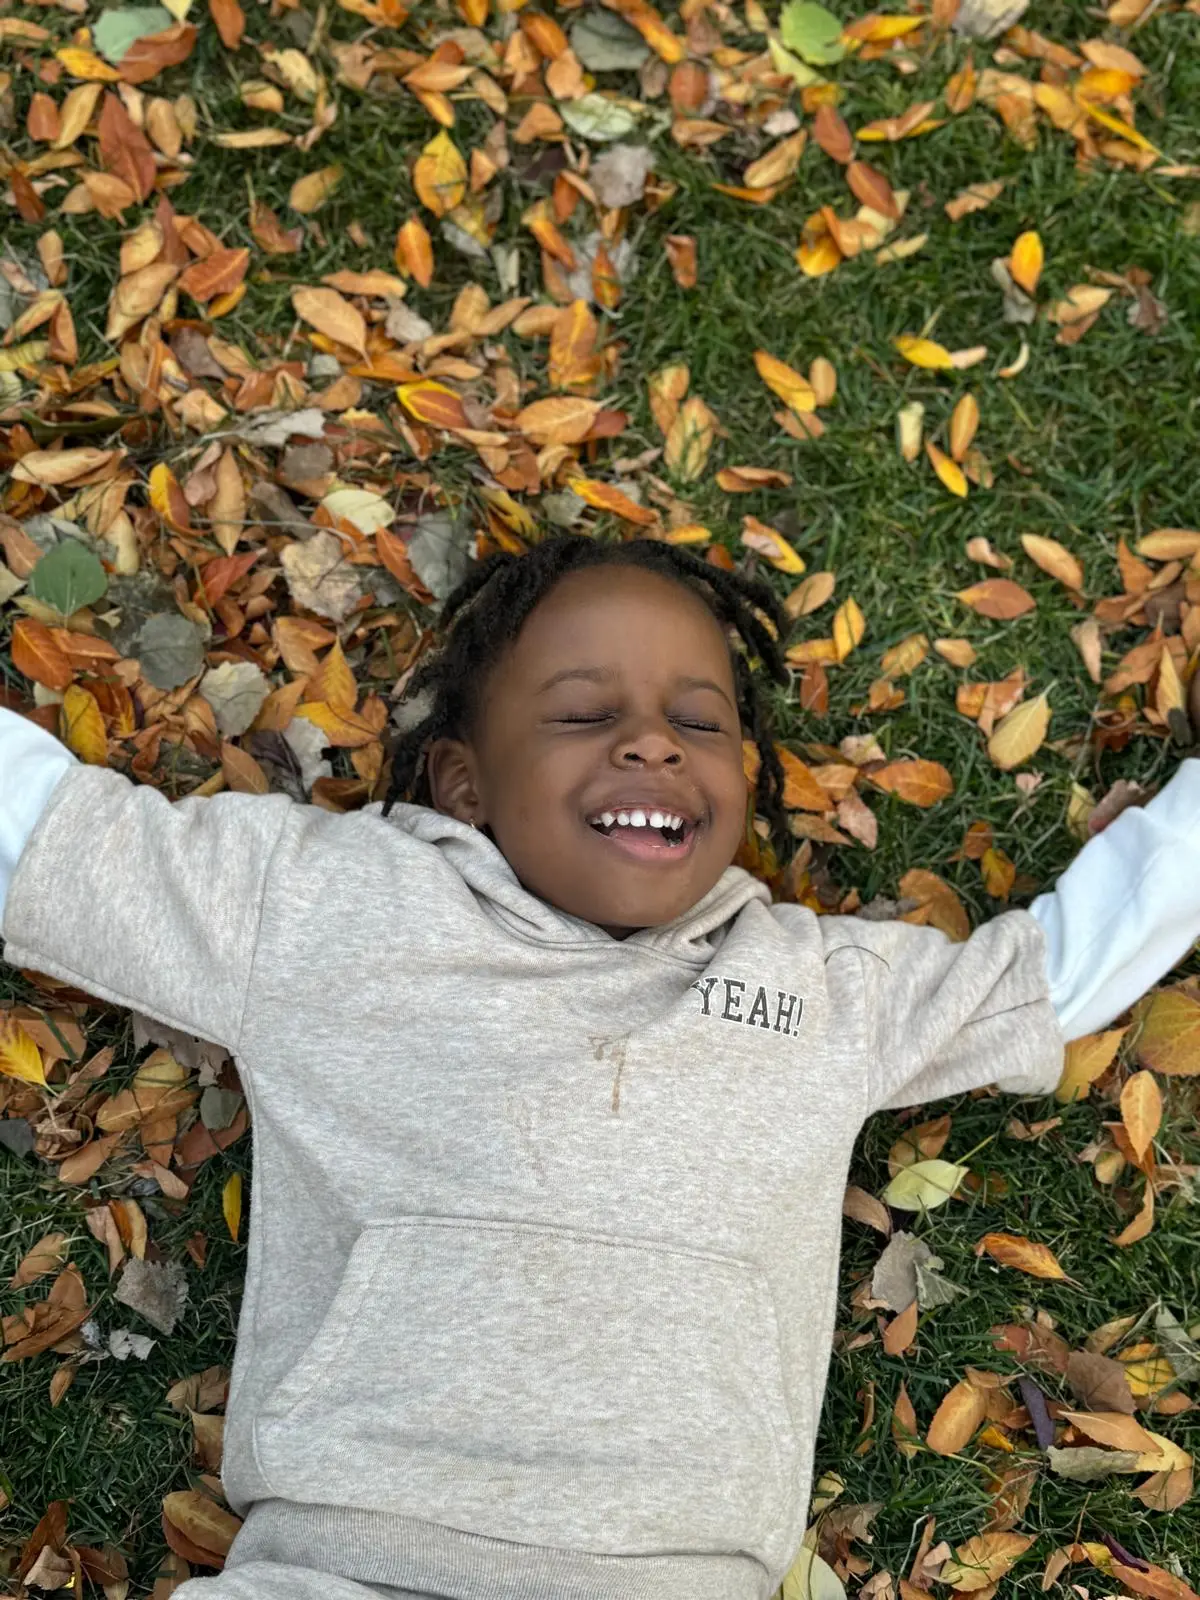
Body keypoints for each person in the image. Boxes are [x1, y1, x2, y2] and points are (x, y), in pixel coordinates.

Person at [1, 532, 1197, 1600]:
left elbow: (1058, 969)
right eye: (582, 713)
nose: (652, 741)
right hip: (343, 1562)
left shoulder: (825, 990)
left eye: (701, 723)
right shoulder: (325, 908)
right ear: (465, 783)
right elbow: (54, 837)